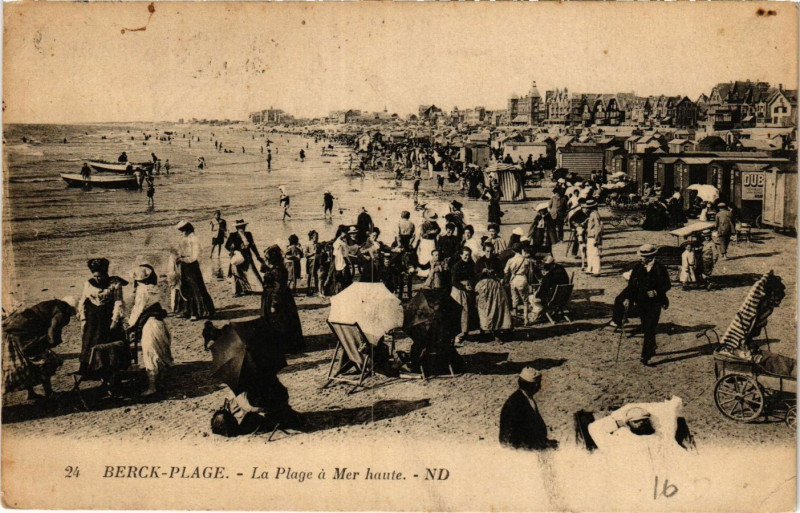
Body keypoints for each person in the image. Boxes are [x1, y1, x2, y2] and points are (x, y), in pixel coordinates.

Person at [2, 297, 77, 400]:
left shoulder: (52, 304)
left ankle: (31, 393)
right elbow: (53, 331)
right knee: (46, 361)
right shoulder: (61, 312)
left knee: (29, 364)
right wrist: (49, 344)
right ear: (70, 308)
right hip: (24, 335)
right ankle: (49, 393)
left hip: (14, 331)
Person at [77, 258, 128, 375]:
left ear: (105, 274)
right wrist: (83, 318)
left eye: (99, 276)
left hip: (107, 316)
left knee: (107, 341)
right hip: (92, 317)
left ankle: (106, 369)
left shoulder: (115, 283)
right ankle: (87, 368)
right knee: (88, 340)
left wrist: (114, 320)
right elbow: (82, 301)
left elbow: (118, 302)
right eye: (95, 276)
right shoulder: (89, 284)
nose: (97, 279)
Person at [127, 265, 173, 396]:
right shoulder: (154, 288)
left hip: (149, 325)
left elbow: (138, 309)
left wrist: (130, 325)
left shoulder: (142, 290)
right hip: (159, 323)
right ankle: (161, 382)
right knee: (161, 352)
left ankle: (152, 387)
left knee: (150, 353)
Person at [626, 244, 671, 365]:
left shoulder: (660, 268)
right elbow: (631, 286)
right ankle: (652, 346)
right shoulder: (637, 267)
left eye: (643, 257)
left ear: (651, 257)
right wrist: (628, 299)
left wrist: (656, 291)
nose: (641, 258)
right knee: (647, 327)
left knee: (649, 327)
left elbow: (667, 285)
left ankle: (645, 355)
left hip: (656, 302)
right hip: (641, 301)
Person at [499, 367, 558, 451]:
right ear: (536, 385)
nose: (540, 386)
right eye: (539, 383)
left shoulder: (523, 398)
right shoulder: (516, 403)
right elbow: (514, 437)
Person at [261, 245, 304, 354]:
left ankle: (283, 345)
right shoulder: (276, 268)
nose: (266, 260)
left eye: (267, 258)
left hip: (277, 298)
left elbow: (278, 288)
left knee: (279, 321)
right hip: (277, 297)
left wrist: (274, 304)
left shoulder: (277, 271)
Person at [175, 221, 216, 320]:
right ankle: (186, 311)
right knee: (184, 287)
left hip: (192, 266)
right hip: (184, 265)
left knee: (195, 288)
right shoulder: (185, 239)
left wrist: (183, 259)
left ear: (188, 229)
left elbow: (195, 256)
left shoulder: (194, 239)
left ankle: (197, 312)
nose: (182, 233)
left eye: (183, 231)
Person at [475, 247, 513, 341]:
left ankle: (496, 331)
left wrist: (495, 273)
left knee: (497, 308)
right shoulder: (480, 261)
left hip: (495, 286)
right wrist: (482, 272)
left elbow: (501, 274)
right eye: (487, 251)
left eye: (491, 251)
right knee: (484, 309)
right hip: (483, 286)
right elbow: (475, 274)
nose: (489, 253)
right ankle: (484, 331)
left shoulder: (497, 261)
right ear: (484, 251)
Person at [224, 219, 264, 296]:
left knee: (252, 272)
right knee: (236, 274)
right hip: (237, 257)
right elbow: (227, 246)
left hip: (247, 256)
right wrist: (232, 250)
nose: (242, 228)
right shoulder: (233, 235)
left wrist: (257, 256)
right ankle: (237, 291)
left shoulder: (248, 234)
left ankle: (257, 289)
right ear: (237, 228)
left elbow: (253, 246)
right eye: (240, 227)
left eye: (243, 226)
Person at [450, 247, 478, 343]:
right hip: (459, 291)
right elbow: (454, 281)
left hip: (469, 290)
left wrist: (472, 284)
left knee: (468, 312)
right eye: (465, 255)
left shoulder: (471, 264)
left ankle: (466, 333)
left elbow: (474, 276)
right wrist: (464, 287)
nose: (467, 257)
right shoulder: (456, 266)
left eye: (469, 255)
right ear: (461, 255)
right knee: (459, 312)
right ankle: (457, 335)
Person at [504, 243, 531, 324]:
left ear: (513, 250)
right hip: (522, 278)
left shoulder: (510, 260)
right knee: (525, 300)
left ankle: (515, 318)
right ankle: (526, 319)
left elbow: (506, 271)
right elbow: (528, 271)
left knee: (514, 299)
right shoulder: (526, 260)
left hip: (513, 279)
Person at [582, 199, 603, 276]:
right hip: (590, 236)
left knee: (595, 253)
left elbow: (598, 227)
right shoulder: (591, 214)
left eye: (587, 208)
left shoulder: (595, 214)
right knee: (589, 252)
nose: (586, 209)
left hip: (593, 236)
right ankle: (590, 268)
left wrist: (596, 238)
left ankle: (596, 271)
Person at [417, 210, 440, 277]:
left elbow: (439, 229)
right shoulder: (423, 225)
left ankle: (431, 271)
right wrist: (429, 233)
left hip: (432, 241)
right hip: (426, 242)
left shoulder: (435, 223)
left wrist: (436, 231)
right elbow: (422, 235)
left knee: (431, 256)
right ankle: (424, 273)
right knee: (424, 256)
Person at [304, 230, 321, 296]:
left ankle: (316, 288)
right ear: (311, 237)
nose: (317, 238)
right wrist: (312, 253)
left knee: (316, 274)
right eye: (315, 237)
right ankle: (309, 287)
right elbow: (305, 254)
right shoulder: (308, 244)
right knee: (310, 274)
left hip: (317, 261)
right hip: (310, 261)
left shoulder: (318, 245)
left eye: (317, 237)